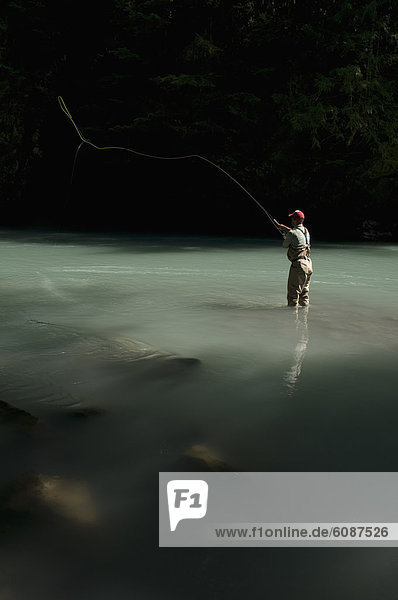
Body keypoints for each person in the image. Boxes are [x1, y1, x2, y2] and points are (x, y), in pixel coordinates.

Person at [275, 210, 313, 307]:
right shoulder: (306, 231)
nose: (291, 220)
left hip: (298, 266)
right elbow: (296, 233)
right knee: (304, 294)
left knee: (293, 295)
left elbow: (285, 245)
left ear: (294, 220)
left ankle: (292, 319)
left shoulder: (292, 234)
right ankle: (305, 318)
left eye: (292, 218)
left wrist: (287, 235)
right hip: (308, 264)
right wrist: (284, 228)